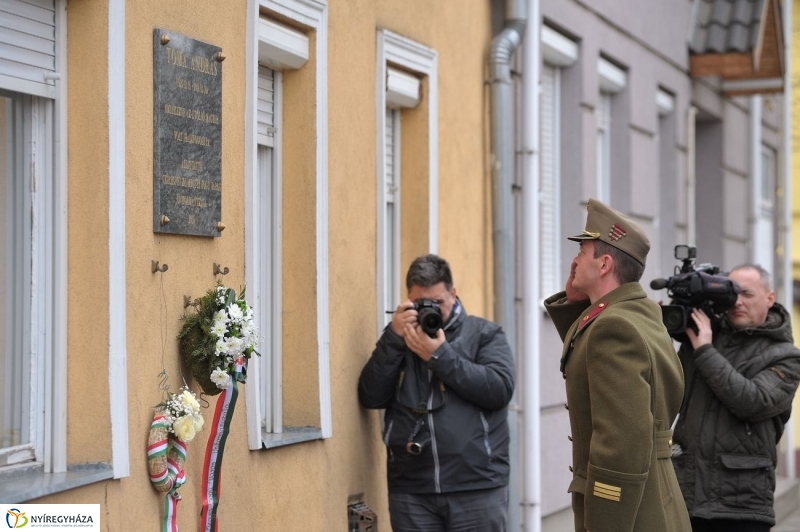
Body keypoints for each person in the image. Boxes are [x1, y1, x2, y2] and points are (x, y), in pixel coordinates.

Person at [543, 198, 691, 532]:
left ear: (605, 263)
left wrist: (606, 525)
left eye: (583, 252)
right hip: (654, 500)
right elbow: (583, 353)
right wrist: (576, 298)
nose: (575, 260)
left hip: (631, 514)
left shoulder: (614, 329)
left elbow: (621, 446)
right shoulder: (638, 313)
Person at [358, 254, 515, 532]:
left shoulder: (484, 334)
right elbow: (371, 395)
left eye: (438, 302)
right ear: (408, 299)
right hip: (412, 489)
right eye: (421, 303)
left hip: (477, 487)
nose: (431, 309)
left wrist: (440, 357)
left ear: (453, 294)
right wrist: (394, 337)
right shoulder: (399, 337)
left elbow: (499, 389)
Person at [672, 264, 800, 532]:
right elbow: (671, 391)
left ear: (770, 298)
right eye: (730, 294)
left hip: (741, 504)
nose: (737, 302)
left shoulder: (786, 355)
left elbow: (752, 402)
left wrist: (705, 351)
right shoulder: (705, 336)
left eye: (747, 294)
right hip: (686, 495)